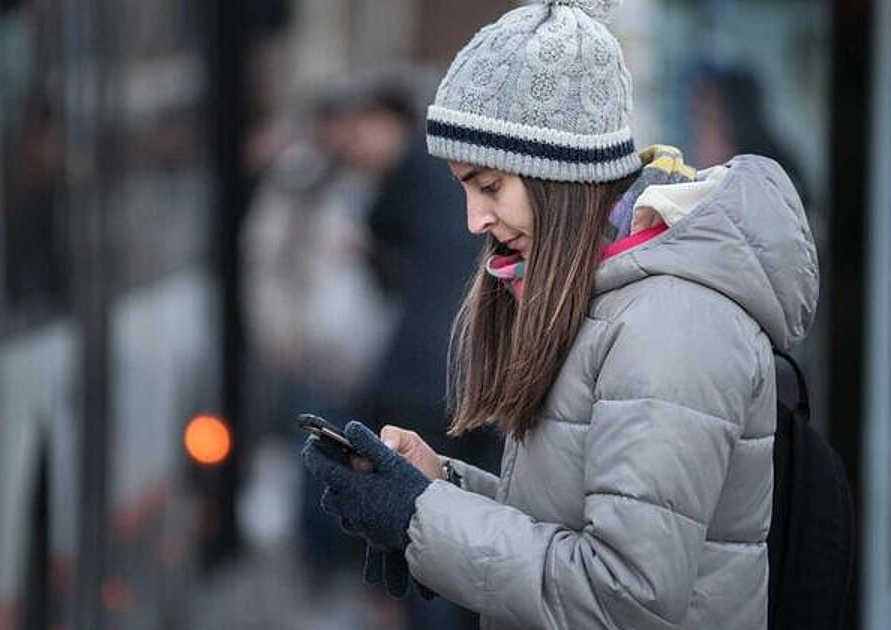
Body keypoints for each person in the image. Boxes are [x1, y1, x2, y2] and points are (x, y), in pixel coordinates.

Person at [300, 1, 819, 629]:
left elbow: (624, 597)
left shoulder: (668, 326)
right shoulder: (610, 299)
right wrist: (437, 491)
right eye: (464, 189)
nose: (475, 220)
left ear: (560, 172)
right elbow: (574, 524)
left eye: (489, 187)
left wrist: (422, 519)